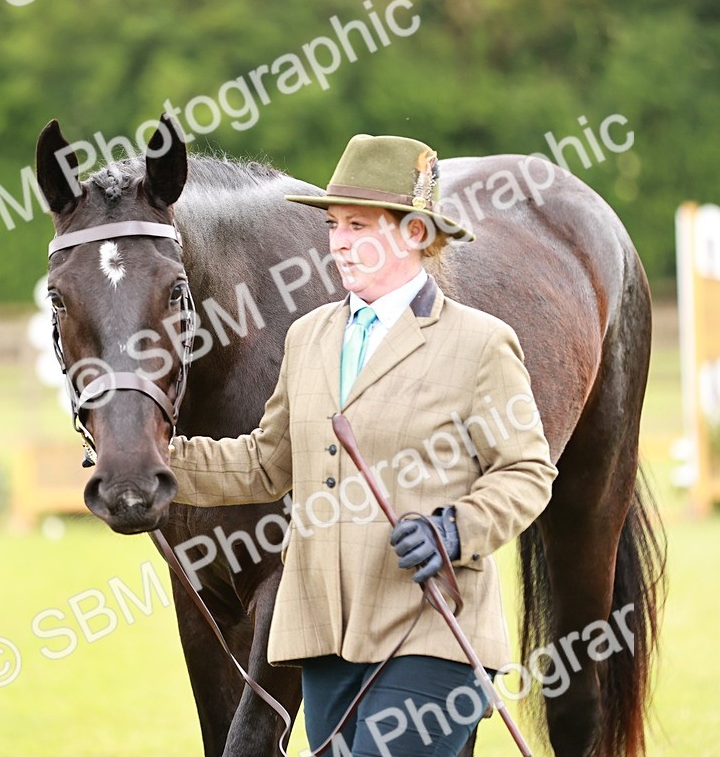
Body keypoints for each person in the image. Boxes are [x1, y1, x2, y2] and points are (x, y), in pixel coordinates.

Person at [167, 134, 557, 756]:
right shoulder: (309, 337)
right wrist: (154, 462)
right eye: (333, 225)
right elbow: (266, 463)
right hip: (325, 639)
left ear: (415, 235)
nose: (339, 242)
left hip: (429, 631)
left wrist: (454, 530)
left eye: (358, 225)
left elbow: (527, 471)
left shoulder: (480, 343)